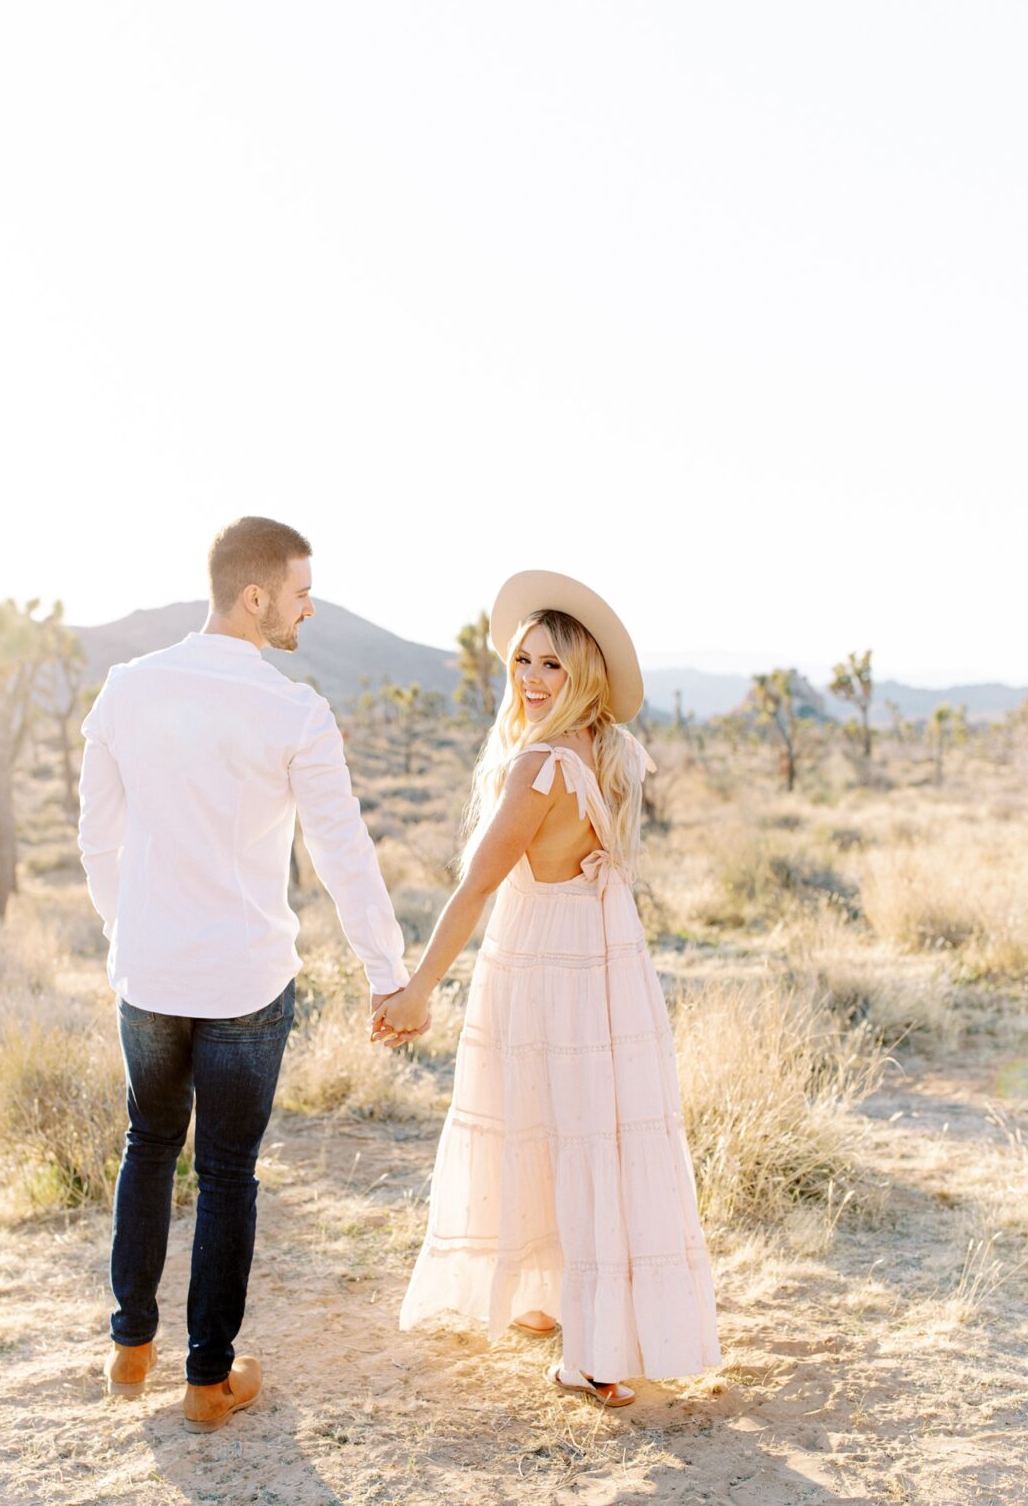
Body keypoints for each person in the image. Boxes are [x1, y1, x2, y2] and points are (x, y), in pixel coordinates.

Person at [78, 515, 411, 1432]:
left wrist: (131, 929)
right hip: (244, 984)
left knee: (149, 1144)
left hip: (148, 974)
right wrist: (387, 972)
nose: (308, 609)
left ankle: (130, 1347)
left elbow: (94, 835)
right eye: (301, 592)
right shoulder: (293, 710)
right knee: (226, 1175)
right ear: (255, 595)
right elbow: (343, 853)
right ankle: (206, 1384)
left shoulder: (125, 689)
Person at [372, 570, 720, 1406]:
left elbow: (475, 887)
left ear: (584, 674)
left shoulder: (539, 767)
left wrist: (419, 986)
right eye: (523, 661)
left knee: (558, 1125)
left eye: (551, 666)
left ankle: (596, 1348)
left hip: (549, 964)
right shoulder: (610, 747)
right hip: (602, 958)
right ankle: (558, 1298)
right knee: (584, 1126)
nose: (530, 679)